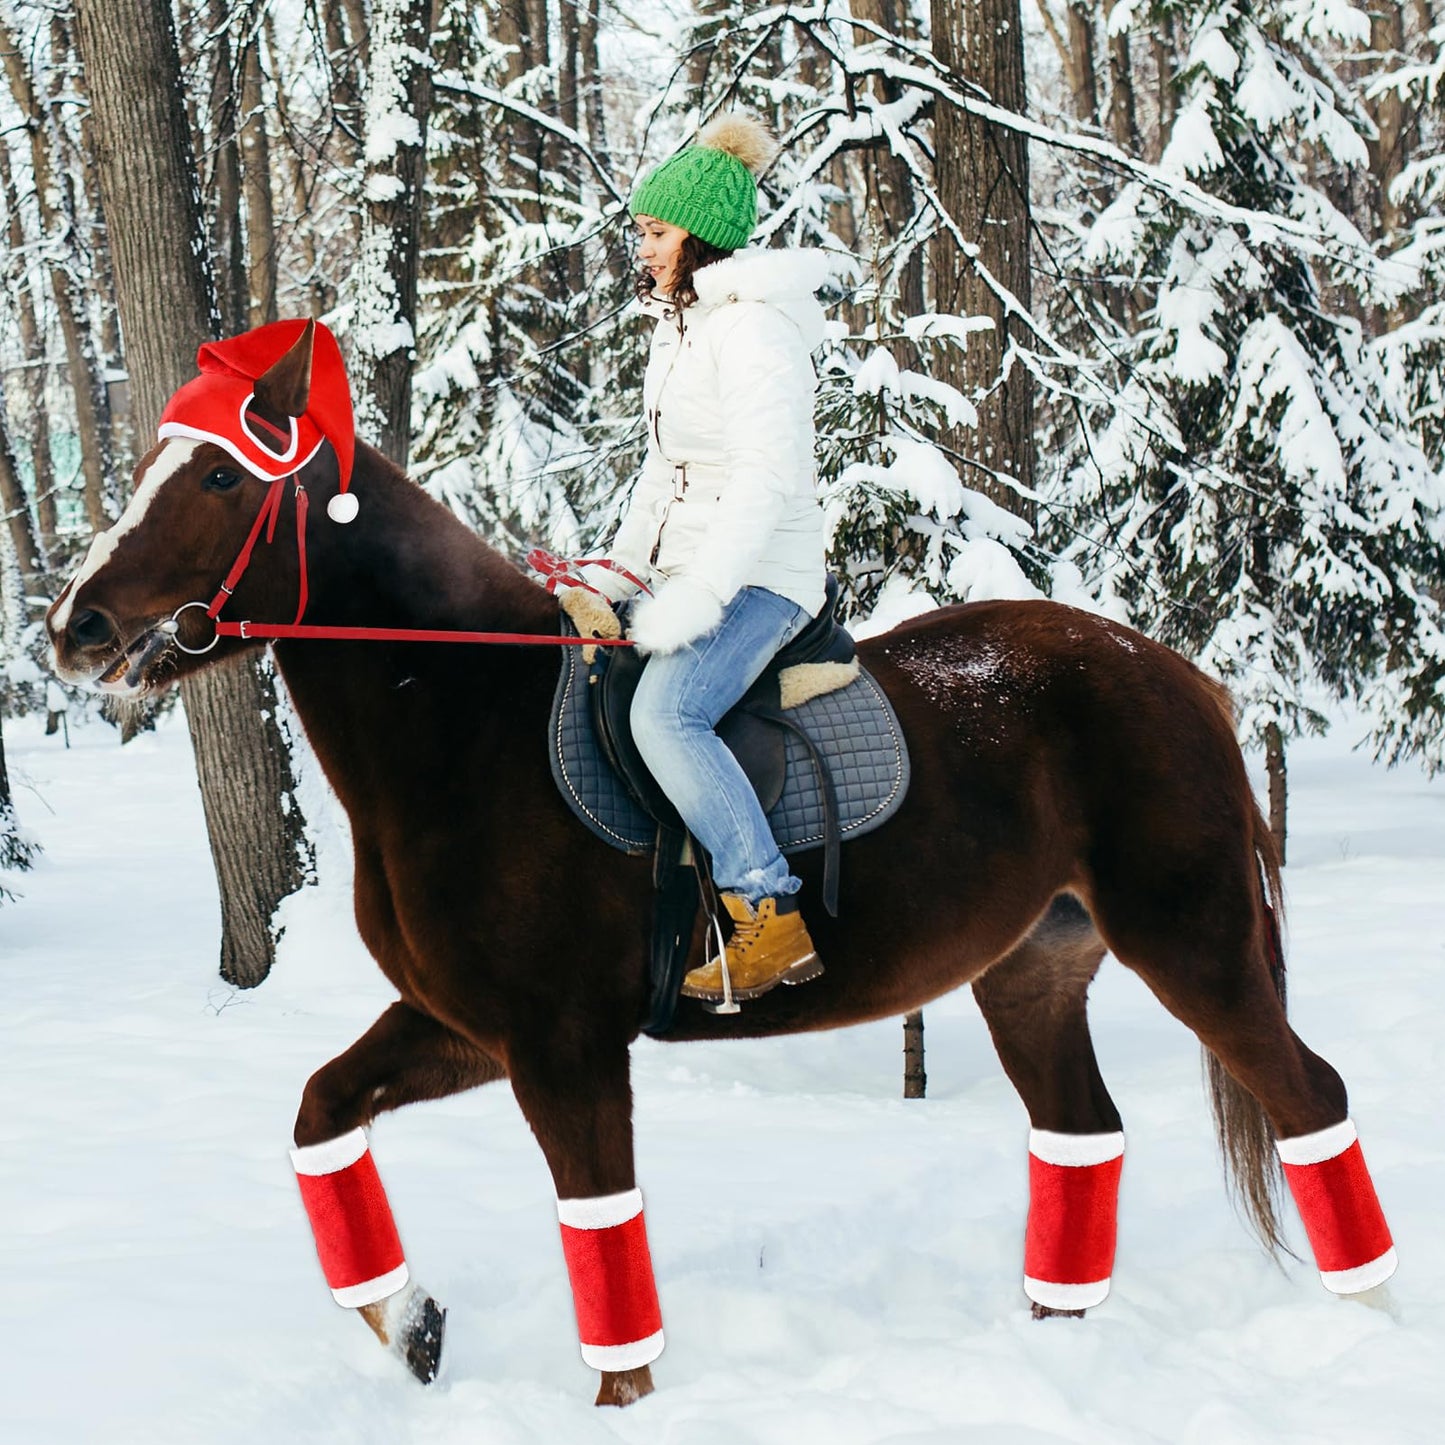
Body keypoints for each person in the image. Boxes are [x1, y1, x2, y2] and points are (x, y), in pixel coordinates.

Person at [578, 114, 833, 1005]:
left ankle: (769, 914)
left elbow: (765, 482)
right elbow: (665, 472)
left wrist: (698, 597)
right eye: (642, 230)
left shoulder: (753, 331)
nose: (641, 246)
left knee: (666, 716)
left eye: (654, 230)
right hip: (696, 566)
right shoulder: (680, 328)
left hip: (764, 574)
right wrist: (614, 574)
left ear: (699, 236)